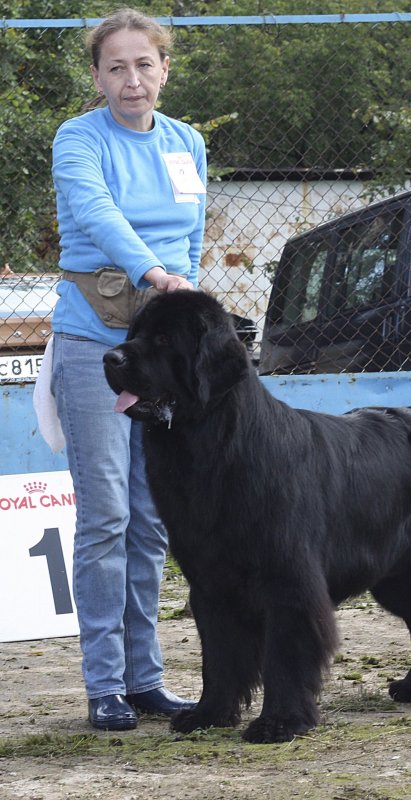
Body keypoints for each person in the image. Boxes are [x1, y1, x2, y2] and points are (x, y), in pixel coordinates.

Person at [50, 8, 207, 731]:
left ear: (165, 69)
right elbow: (97, 211)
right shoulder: (79, 139)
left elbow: (194, 235)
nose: (131, 79)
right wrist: (151, 273)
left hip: (162, 351)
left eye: (144, 64)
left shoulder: (186, 144)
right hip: (97, 346)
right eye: (116, 66)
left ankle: (146, 679)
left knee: (151, 519)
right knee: (107, 514)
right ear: (97, 76)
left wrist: (183, 312)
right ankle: (104, 686)